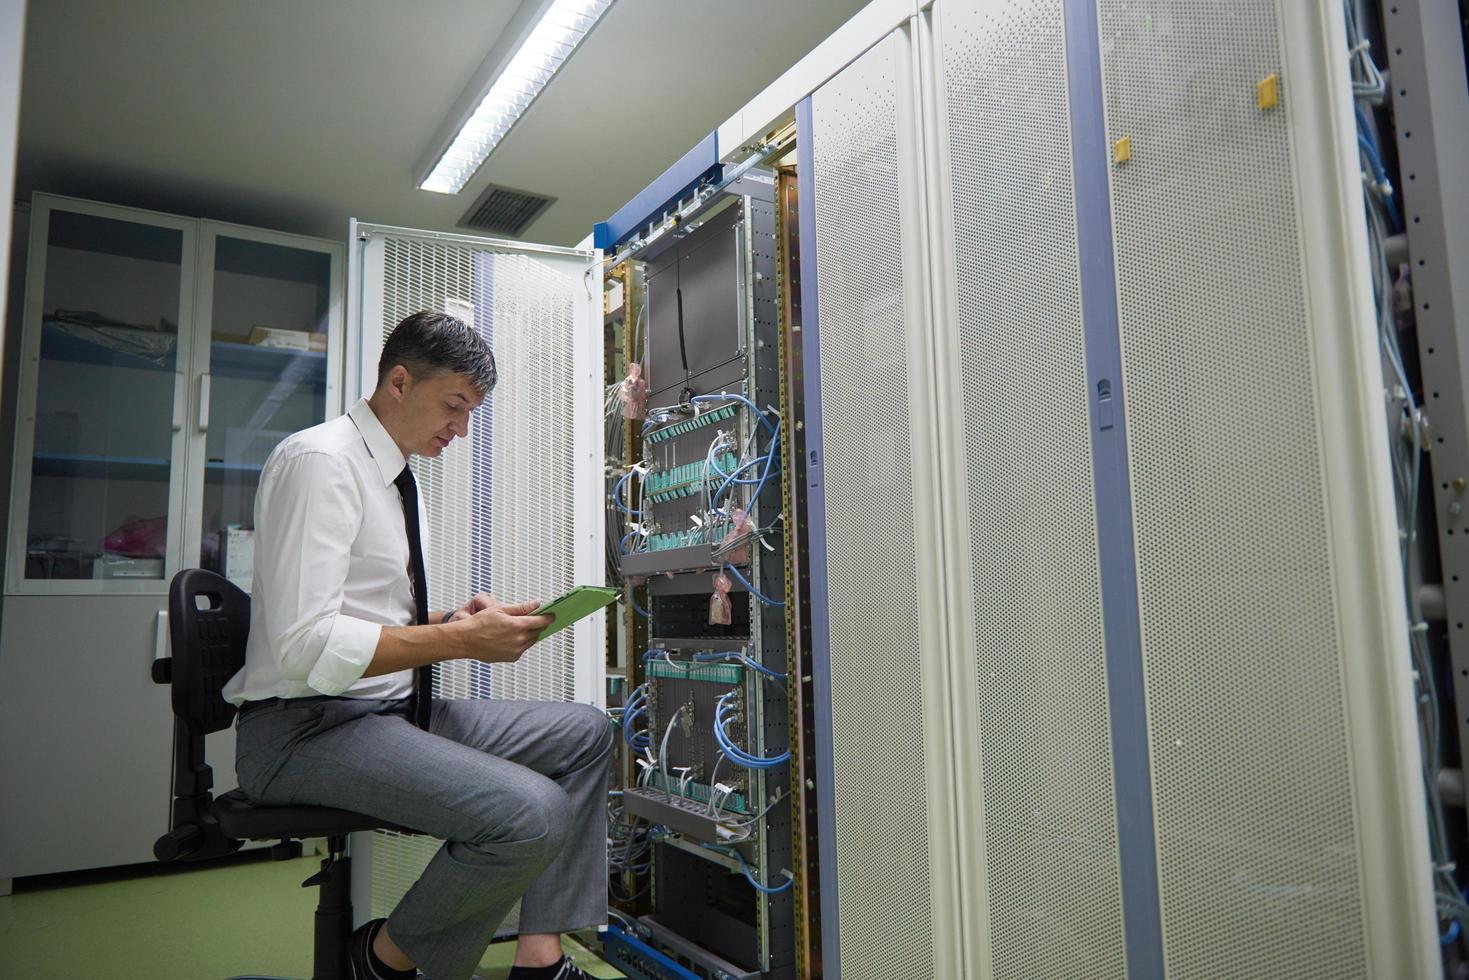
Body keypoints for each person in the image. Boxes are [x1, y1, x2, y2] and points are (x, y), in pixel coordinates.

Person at [224, 310, 612, 980]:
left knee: (585, 733)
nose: (461, 429)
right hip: (303, 731)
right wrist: (460, 640)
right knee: (532, 812)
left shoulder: (395, 475)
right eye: (454, 406)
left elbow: (359, 615)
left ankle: (539, 959)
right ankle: (381, 960)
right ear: (399, 382)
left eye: (470, 413)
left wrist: (450, 618)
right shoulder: (321, 462)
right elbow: (302, 647)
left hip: (379, 710)